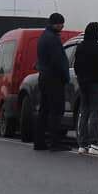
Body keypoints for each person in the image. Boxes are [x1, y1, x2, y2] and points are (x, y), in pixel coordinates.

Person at [34, 12, 70, 151]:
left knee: (44, 110)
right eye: (61, 23)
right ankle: (54, 142)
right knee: (56, 110)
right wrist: (64, 77)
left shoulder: (44, 36)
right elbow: (58, 61)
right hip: (54, 79)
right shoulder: (52, 39)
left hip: (44, 77)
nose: (62, 26)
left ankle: (39, 142)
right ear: (56, 23)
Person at [74, 22, 98, 155]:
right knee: (94, 113)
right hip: (96, 83)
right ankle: (94, 143)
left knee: (84, 112)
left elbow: (76, 66)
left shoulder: (80, 47)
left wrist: (80, 78)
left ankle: (82, 144)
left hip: (83, 83)